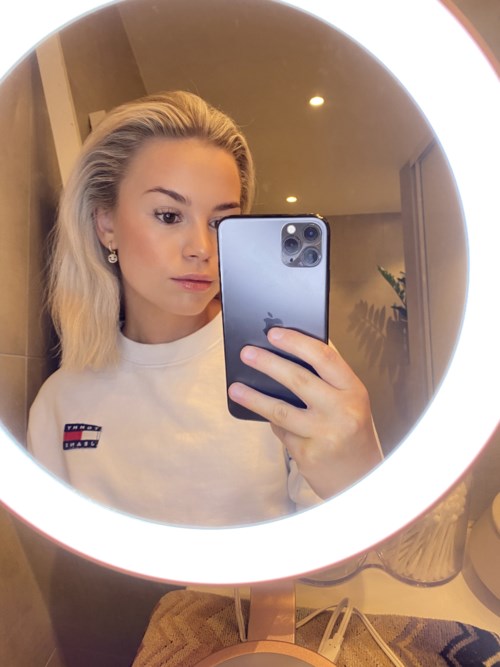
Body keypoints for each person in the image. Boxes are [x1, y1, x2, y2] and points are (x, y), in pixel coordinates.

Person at [28, 91, 382, 527]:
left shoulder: (286, 361)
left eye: (220, 222)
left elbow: (345, 551)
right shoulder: (60, 402)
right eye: (168, 215)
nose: (202, 248)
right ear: (106, 224)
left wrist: (358, 484)